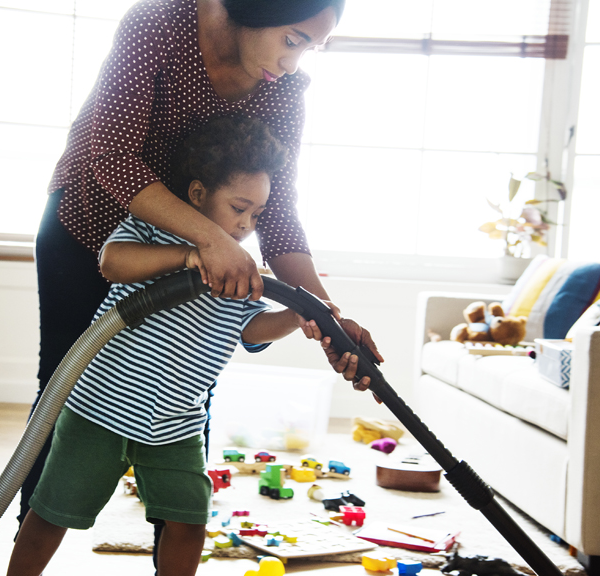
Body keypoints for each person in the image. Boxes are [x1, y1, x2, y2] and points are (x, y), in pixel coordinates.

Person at [23, 0, 385, 562]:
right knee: (63, 392)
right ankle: (32, 545)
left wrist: (326, 316)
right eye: (292, 39)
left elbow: (279, 211)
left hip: (210, 242)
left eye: (309, 48)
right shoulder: (159, 26)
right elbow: (113, 156)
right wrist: (208, 244)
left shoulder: (284, 91)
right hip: (94, 222)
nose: (294, 63)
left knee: (188, 392)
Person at [9, 116, 336, 576]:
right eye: (238, 208)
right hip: (99, 412)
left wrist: (297, 315)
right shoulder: (154, 231)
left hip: (177, 424)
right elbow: (112, 261)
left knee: (188, 523)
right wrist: (191, 256)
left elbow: (251, 330)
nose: (244, 225)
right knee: (52, 514)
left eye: (255, 216)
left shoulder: (242, 270)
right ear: (199, 194)